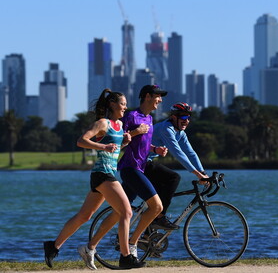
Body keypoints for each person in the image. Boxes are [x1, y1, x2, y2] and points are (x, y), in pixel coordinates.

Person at [43, 89, 144, 270]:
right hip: (102, 174)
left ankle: (53, 246)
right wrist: (103, 146)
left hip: (108, 173)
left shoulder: (119, 125)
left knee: (84, 215)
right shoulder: (102, 123)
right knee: (126, 212)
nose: (125, 107)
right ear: (113, 104)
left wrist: (124, 143)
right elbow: (81, 141)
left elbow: (113, 149)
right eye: (122, 104)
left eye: (126, 104)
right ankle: (126, 256)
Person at [117, 84, 171, 256]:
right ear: (147, 96)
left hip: (140, 169)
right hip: (129, 168)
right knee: (156, 207)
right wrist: (136, 131)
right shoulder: (131, 116)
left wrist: (156, 150)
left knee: (119, 212)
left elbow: (144, 146)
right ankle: (133, 243)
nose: (160, 100)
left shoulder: (149, 119)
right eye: (157, 96)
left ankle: (90, 247)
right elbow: (118, 139)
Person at [147, 102, 209, 222]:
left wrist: (203, 172)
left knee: (160, 195)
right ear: (174, 117)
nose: (187, 121)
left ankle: (147, 234)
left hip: (148, 162)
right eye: (184, 117)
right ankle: (159, 217)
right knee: (174, 178)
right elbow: (178, 153)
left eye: (189, 117)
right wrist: (197, 174)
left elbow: (190, 153)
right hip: (141, 162)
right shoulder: (166, 129)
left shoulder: (180, 133)